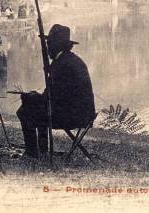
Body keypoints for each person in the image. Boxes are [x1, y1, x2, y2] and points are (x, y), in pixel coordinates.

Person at [16, 24, 95, 158]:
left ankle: (32, 153)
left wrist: (33, 97)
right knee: (36, 107)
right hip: (81, 112)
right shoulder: (69, 60)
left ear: (57, 45)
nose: (47, 48)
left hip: (74, 116)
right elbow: (57, 94)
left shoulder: (63, 64)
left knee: (24, 112)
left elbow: (55, 97)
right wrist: (38, 97)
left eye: (49, 44)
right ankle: (42, 150)